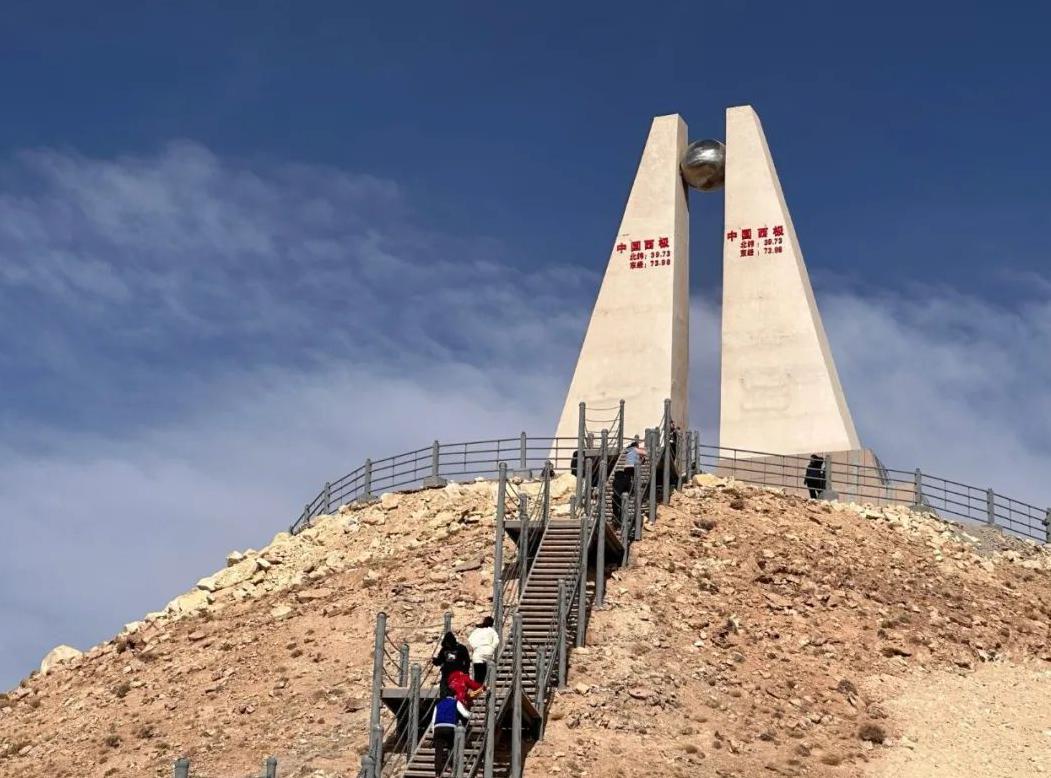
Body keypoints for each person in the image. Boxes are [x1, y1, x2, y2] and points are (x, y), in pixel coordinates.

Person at [430, 694, 470, 777]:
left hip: (438, 728)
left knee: (438, 752)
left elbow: (433, 720)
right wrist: (472, 715)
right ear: (454, 696)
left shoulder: (438, 704)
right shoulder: (455, 702)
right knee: (452, 747)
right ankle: (452, 766)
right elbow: (465, 714)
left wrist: (434, 733)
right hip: (450, 727)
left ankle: (437, 773)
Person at [432, 631, 471, 697]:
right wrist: (435, 661)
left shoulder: (461, 648)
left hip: (458, 676)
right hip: (446, 676)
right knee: (444, 695)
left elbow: (467, 661)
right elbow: (440, 660)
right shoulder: (444, 649)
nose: (448, 645)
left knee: (457, 695)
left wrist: (465, 672)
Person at [466, 616, 500, 683]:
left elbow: (470, 640)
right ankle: (486, 683)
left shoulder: (477, 630)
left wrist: (475, 647)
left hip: (478, 652)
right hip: (488, 652)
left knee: (478, 673)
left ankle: (478, 686)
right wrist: (492, 647)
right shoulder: (492, 630)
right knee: (485, 671)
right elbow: (496, 641)